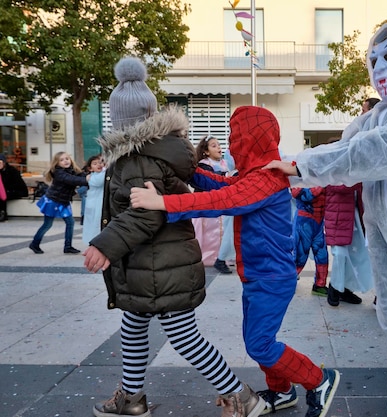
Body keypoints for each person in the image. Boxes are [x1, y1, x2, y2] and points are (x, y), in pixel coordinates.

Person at [262, 23, 387, 417]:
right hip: (386, 239)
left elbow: (371, 153)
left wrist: (299, 166)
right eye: (373, 60)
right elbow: (345, 148)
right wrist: (292, 162)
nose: (379, 68)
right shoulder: (371, 118)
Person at [129, 105, 340, 417]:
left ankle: (319, 380)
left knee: (259, 344)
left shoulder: (267, 179)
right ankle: (282, 391)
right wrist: (188, 170)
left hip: (272, 277)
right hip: (258, 276)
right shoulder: (255, 177)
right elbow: (224, 186)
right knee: (258, 341)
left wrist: (161, 203)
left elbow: (221, 200)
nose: (231, 144)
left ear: (251, 139)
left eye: (235, 136)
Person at [83, 57, 263, 417]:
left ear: (121, 122)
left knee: (182, 335)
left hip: (161, 263)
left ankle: (240, 396)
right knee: (133, 326)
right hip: (150, 262)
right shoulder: (152, 152)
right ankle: (131, 399)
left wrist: (104, 245)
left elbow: (144, 214)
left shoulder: (137, 158)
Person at [29, 151, 88, 254]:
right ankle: (34, 243)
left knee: (70, 222)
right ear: (57, 163)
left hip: (63, 201)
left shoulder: (73, 170)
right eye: (61, 160)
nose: (65, 161)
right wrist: (87, 179)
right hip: (53, 200)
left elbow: (81, 175)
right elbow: (72, 180)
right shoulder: (59, 173)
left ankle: (68, 246)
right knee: (47, 224)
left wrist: (92, 175)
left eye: (67, 158)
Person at [324, 182, 373, 306]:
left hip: (355, 215)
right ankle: (334, 287)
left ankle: (345, 289)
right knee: (340, 255)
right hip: (338, 216)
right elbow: (335, 185)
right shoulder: (332, 165)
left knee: (357, 255)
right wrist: (359, 179)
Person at [191, 136, 234, 271]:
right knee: (209, 231)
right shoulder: (204, 165)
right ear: (206, 151)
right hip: (205, 204)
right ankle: (208, 256)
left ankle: (221, 257)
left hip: (219, 203)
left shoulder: (225, 164)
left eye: (219, 145)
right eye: (214, 146)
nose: (219, 148)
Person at [291, 186, 329, 296]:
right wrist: (319, 187)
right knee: (300, 256)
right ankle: (288, 281)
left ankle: (320, 285)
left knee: (322, 255)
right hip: (304, 222)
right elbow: (296, 192)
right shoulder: (301, 174)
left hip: (318, 223)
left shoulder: (323, 175)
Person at [81, 155, 106, 244]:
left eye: (100, 162)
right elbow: (100, 181)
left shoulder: (100, 174)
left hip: (99, 204)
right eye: (95, 164)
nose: (99, 165)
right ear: (90, 168)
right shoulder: (93, 177)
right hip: (94, 205)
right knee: (94, 225)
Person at [0, 153, 29, 221]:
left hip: (18, 191)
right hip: (5, 191)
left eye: (0, 162)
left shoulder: (11, 170)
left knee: (2, 195)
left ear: (4, 162)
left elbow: (16, 184)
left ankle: (2, 214)